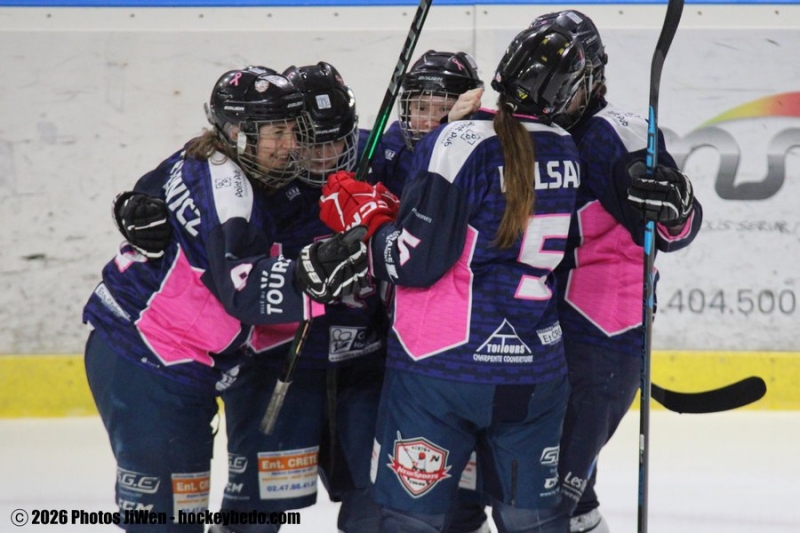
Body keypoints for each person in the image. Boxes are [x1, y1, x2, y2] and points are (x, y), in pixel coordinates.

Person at [319, 25, 587, 533]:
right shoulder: (565, 147)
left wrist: (368, 226)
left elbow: (414, 262)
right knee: (532, 519)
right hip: (533, 370)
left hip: (441, 366)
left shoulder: (457, 141)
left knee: (408, 519)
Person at [85, 65, 368, 533]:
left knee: (177, 521)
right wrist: (308, 276)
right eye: (276, 133)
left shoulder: (207, 153)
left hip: (165, 359)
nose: (291, 146)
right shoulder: (229, 189)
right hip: (148, 357)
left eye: (293, 132)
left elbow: (149, 189)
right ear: (238, 133)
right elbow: (244, 289)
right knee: (165, 525)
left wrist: (132, 204)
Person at [528, 11, 703, 533]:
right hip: (552, 333)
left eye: (561, 82)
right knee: (562, 496)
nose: (548, 92)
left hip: (600, 339)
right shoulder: (540, 129)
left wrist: (675, 208)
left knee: (550, 498)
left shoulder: (613, 135)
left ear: (591, 80)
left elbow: (674, 231)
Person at [368, 50, 484, 196]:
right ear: (407, 107)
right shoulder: (392, 142)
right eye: (421, 108)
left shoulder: (480, 158)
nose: (429, 122)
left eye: (445, 108)